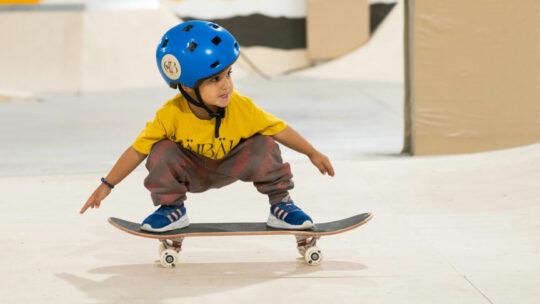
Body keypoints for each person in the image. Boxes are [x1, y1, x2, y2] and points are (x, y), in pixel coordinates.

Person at [80, 20, 334, 232]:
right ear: (188, 85)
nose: (226, 85)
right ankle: (172, 210)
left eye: (228, 74)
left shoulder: (241, 107)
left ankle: (282, 205)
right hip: (192, 172)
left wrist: (311, 152)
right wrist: (107, 184)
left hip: (231, 166)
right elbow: (137, 151)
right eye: (215, 79)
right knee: (161, 150)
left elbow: (280, 129)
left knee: (264, 142)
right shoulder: (170, 115)